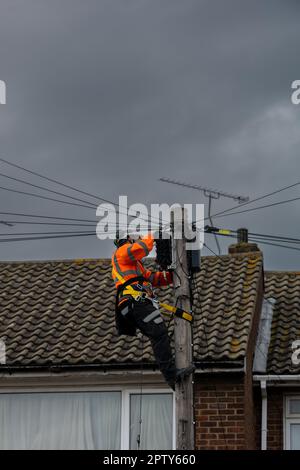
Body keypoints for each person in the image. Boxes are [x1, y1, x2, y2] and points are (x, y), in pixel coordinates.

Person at [112, 232, 194, 390]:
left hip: (134, 303)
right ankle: (171, 376)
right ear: (127, 239)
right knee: (159, 332)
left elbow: (153, 278)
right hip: (135, 302)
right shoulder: (121, 252)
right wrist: (152, 235)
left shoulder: (135, 266)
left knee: (159, 333)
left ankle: (171, 376)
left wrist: (174, 275)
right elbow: (142, 247)